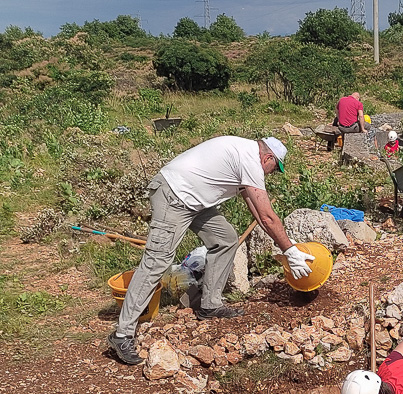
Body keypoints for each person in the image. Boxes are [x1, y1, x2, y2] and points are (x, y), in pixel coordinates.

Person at [108, 136, 315, 366]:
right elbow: (267, 216)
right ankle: (122, 334)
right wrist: (291, 251)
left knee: (226, 239)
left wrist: (284, 245)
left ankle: (210, 304)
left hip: (195, 202)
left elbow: (259, 214)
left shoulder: (245, 156)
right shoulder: (250, 160)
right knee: (157, 261)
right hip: (173, 195)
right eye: (274, 169)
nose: (270, 174)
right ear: (268, 158)